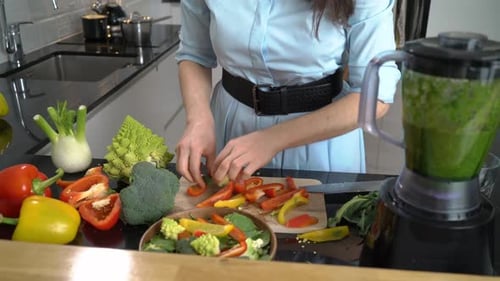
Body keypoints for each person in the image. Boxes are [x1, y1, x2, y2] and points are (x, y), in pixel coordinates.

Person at [175, 0, 401, 188]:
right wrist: (198, 119)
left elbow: (374, 97)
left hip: (322, 140)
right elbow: (195, 55)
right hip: (232, 127)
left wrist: (271, 139)